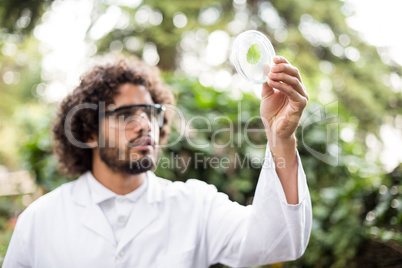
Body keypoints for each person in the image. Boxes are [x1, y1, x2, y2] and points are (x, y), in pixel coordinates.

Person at [3, 55, 312, 268]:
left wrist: (279, 136)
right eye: (125, 115)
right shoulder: (40, 220)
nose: (144, 125)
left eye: (151, 112)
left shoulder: (195, 206)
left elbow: (278, 241)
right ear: (88, 133)